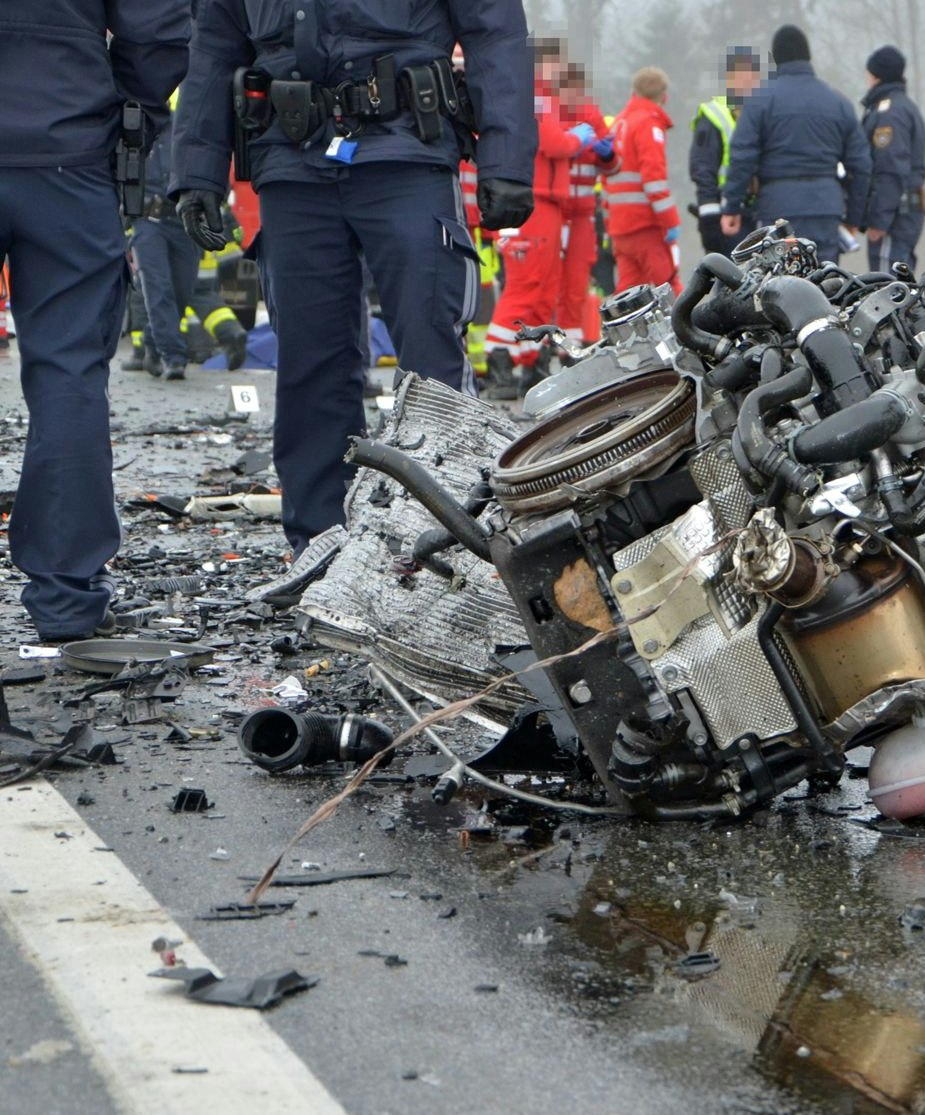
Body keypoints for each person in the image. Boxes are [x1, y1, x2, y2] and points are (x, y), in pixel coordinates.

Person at [171, 0, 535, 555]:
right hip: (291, 160)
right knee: (309, 362)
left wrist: (507, 159)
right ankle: (320, 549)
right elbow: (215, 44)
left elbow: (494, 28)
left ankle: (445, 545)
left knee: (430, 360)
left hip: (406, 150)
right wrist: (195, 169)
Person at [0, 0, 187, 641]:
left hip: (67, 135)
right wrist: (125, 107)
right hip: (65, 142)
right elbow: (159, 29)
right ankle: (65, 599)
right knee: (68, 370)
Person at [486, 65, 611, 396]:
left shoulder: (553, 103)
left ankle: (532, 361)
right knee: (527, 285)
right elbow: (556, 145)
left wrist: (604, 151)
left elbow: (610, 158)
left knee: (546, 288)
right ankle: (500, 359)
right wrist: (576, 140)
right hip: (537, 202)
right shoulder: (535, 101)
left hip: (559, 209)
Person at [720, 25, 870, 261]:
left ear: (775, 58)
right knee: (825, 285)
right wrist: (853, 217)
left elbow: (742, 158)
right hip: (825, 208)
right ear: (808, 56)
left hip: (776, 208)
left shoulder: (759, 102)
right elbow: (861, 166)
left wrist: (732, 206)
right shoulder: (838, 103)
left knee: (777, 286)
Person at [132, 97, 249, 380]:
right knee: (158, 288)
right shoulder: (139, 125)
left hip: (184, 222)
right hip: (148, 223)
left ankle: (151, 344)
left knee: (183, 291)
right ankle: (174, 358)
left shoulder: (191, 131)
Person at [555, 61, 614, 345]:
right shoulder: (548, 114)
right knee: (549, 282)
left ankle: (572, 344)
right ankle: (544, 345)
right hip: (555, 210)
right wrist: (573, 145)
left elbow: (613, 163)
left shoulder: (592, 114)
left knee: (578, 283)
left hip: (584, 214)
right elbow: (548, 152)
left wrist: (606, 155)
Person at [608, 67, 682, 293]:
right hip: (646, 225)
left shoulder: (619, 123)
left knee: (630, 296)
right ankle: (682, 330)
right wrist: (670, 221)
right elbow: (654, 180)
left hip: (620, 227)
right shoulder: (648, 124)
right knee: (669, 290)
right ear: (664, 96)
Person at [856, 46, 925, 273]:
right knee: (900, 281)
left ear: (877, 75)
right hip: (904, 211)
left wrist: (879, 220)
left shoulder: (890, 113)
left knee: (886, 285)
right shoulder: (903, 107)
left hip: (895, 216)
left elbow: (890, 169)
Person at [689, 47, 758, 257]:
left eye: (752, 76)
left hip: (761, 213)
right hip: (727, 215)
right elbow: (703, 168)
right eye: (741, 76)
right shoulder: (714, 116)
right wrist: (709, 217)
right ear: (729, 78)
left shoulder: (763, 112)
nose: (747, 82)